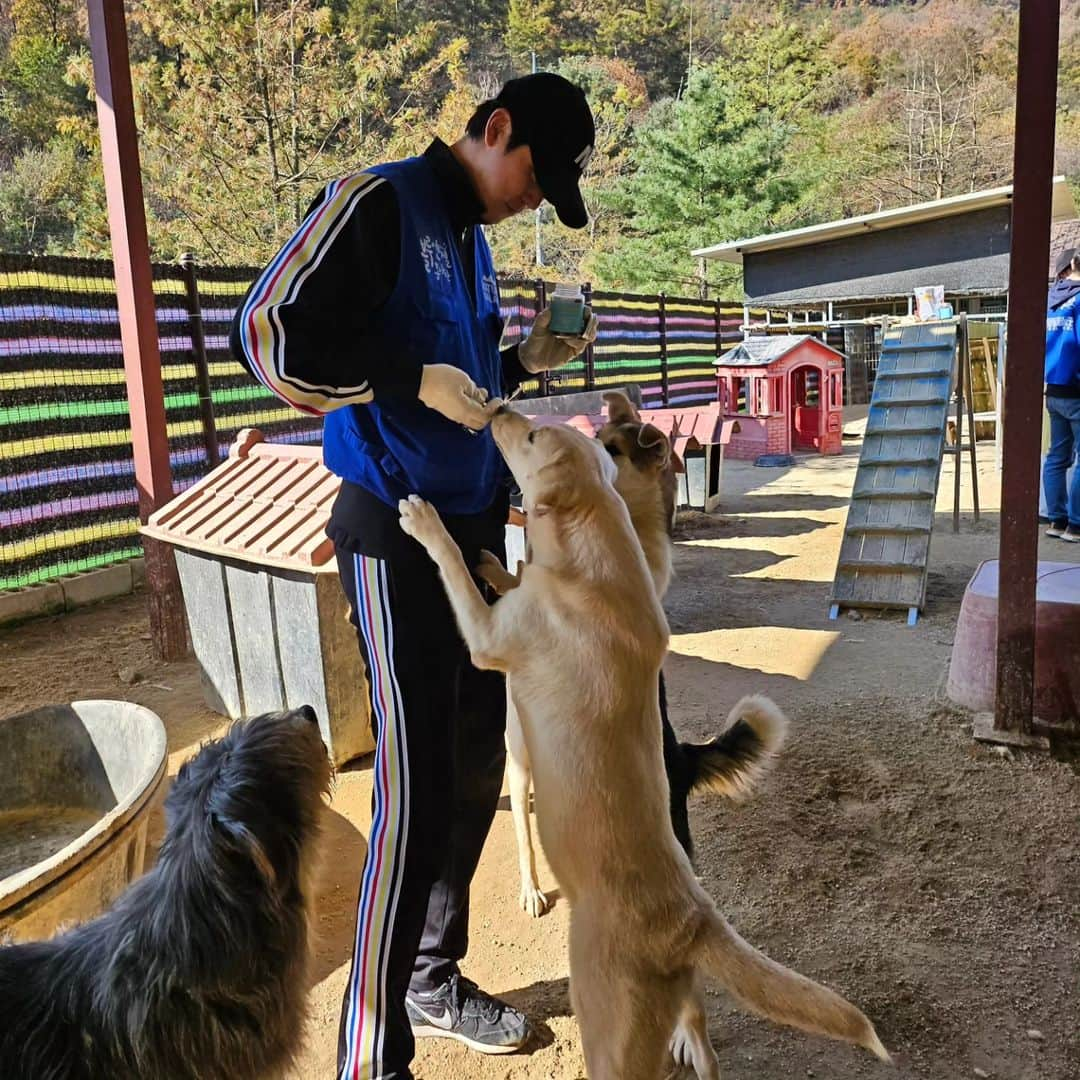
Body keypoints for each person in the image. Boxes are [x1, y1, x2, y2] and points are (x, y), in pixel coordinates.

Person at [229, 73, 598, 1080]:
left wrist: (524, 358)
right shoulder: (378, 202)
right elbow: (265, 337)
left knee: (477, 765)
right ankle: (369, 1052)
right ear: (498, 127)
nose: (535, 197)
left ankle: (433, 977)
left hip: (475, 530)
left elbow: (464, 388)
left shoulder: (473, 246)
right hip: (398, 533)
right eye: (537, 174)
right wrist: (399, 379)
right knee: (412, 786)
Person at [1043, 247, 1080, 542]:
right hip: (1077, 390)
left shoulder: (1050, 303)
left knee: (1057, 456)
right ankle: (1077, 525)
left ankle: (1057, 520)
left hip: (1053, 390)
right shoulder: (1079, 300)